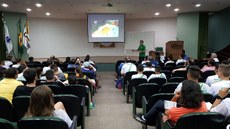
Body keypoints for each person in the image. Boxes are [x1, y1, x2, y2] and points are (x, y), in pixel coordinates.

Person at [134, 80, 208, 128]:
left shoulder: (174, 112)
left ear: (184, 95)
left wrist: (175, 98)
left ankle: (145, 118)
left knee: (160, 114)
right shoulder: (204, 106)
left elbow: (167, 112)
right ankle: (145, 118)